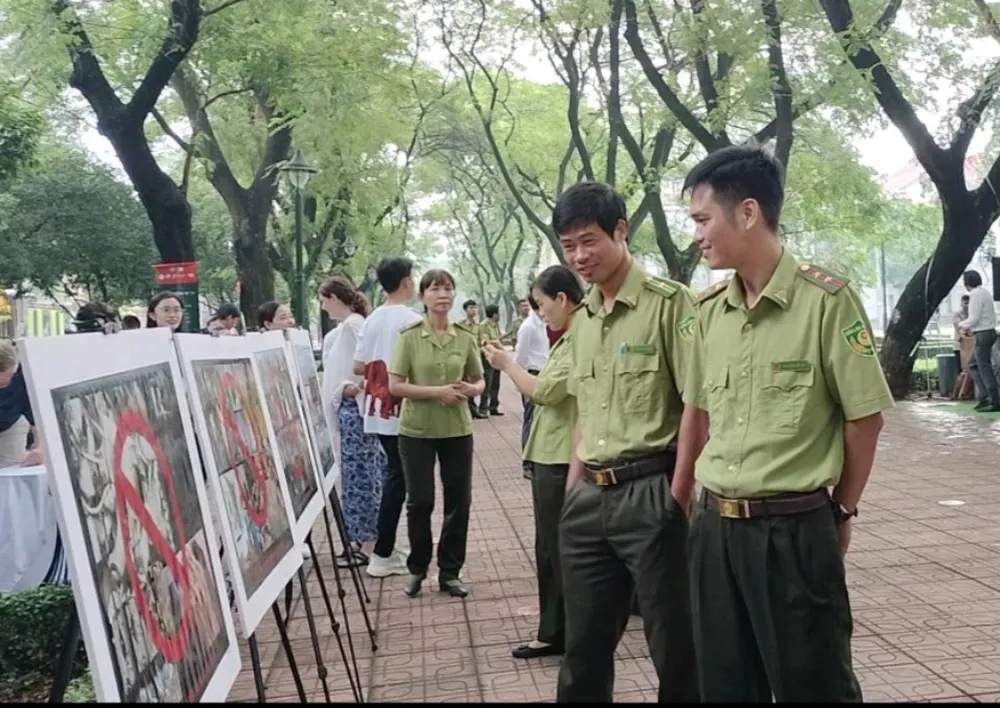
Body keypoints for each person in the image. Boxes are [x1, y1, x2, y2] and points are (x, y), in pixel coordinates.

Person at [676, 145, 894, 702]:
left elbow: (864, 419)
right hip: (715, 531)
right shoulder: (706, 312)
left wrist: (842, 509)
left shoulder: (827, 301)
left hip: (792, 533)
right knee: (724, 686)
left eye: (703, 219)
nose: (697, 235)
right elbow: (698, 410)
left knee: (813, 684)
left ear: (747, 213)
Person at [554, 181, 699, 703]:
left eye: (588, 241)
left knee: (677, 646)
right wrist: (574, 491)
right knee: (583, 649)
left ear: (620, 231)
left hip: (651, 493)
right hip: (589, 498)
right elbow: (582, 411)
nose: (579, 257)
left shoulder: (669, 304)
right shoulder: (583, 318)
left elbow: (696, 407)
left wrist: (677, 501)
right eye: (568, 246)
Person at [483, 265, 583, 661]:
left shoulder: (579, 338)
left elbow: (546, 392)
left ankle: (563, 632)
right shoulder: (568, 337)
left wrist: (507, 365)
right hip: (550, 453)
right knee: (550, 548)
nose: (541, 314)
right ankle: (556, 628)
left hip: (560, 457)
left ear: (562, 298)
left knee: (559, 550)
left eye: (542, 305)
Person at [388, 269, 484, 598]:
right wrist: (438, 391)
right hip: (417, 431)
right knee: (420, 501)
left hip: (457, 429)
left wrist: (472, 389)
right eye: (434, 289)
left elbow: (479, 379)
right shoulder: (409, 336)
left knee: (459, 501)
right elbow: (395, 385)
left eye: (448, 289)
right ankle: (417, 567)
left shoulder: (465, 336)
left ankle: (450, 571)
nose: (442, 294)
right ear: (422, 296)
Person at [353, 257, 421, 578]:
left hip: (377, 409)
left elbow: (358, 365)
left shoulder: (372, 319)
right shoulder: (412, 320)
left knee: (395, 475)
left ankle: (388, 547)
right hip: (405, 409)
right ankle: (382, 553)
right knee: (399, 479)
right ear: (406, 281)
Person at [320, 277, 385, 566]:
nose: (323, 307)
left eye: (323, 300)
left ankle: (363, 540)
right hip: (353, 407)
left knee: (358, 475)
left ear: (334, 298)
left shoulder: (353, 325)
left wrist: (353, 384)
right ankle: (361, 537)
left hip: (354, 409)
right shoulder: (353, 324)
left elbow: (368, 361)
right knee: (359, 473)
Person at [513, 295, 549, 479]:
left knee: (540, 420)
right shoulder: (528, 327)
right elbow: (520, 357)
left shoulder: (544, 323)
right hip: (532, 374)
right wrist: (521, 380)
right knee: (530, 419)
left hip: (545, 375)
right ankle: (527, 462)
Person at [959, 270, 1000, 412]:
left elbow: (974, 317)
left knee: (984, 366)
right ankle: (985, 397)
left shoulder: (975, 295)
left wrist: (961, 325)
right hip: (988, 332)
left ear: (966, 283)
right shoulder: (985, 292)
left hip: (983, 333)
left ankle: (994, 400)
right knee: (973, 364)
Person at [0, 340, 41, 467]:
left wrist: (40, 449)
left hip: (11, 424)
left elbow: (37, 416)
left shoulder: (25, 374)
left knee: (10, 473)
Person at [458, 300, 487, 420]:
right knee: (464, 383)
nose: (474, 310)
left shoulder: (479, 326)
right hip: (463, 359)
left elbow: (482, 341)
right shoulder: (460, 325)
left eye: (475, 308)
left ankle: (476, 409)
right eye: (471, 308)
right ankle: (469, 409)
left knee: (477, 382)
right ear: (465, 310)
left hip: (476, 359)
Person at [477, 304, 503, 417]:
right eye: (499, 313)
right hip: (487, 357)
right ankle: (483, 408)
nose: (499, 315)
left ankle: (493, 407)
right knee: (487, 382)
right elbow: (484, 341)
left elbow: (498, 338)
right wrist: (495, 343)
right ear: (494, 314)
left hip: (497, 357)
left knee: (496, 383)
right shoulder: (484, 325)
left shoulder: (495, 325)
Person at [953, 294, 971, 372]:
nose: (967, 306)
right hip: (959, 346)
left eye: (969, 303)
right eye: (965, 303)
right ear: (961, 304)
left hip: (970, 347)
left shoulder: (973, 315)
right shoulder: (957, 315)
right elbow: (958, 327)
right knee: (960, 370)